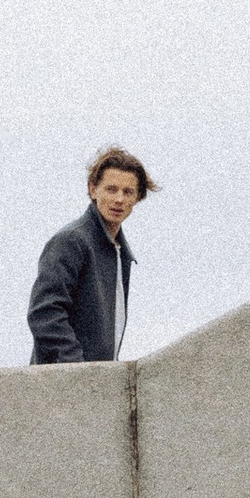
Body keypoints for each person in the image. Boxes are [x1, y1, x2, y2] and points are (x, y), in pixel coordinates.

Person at [28, 148, 154, 363]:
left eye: (128, 192)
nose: (119, 199)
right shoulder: (72, 241)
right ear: (93, 190)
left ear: (138, 198)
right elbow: (45, 313)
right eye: (111, 189)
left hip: (98, 383)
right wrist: (78, 369)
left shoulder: (119, 252)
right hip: (65, 384)